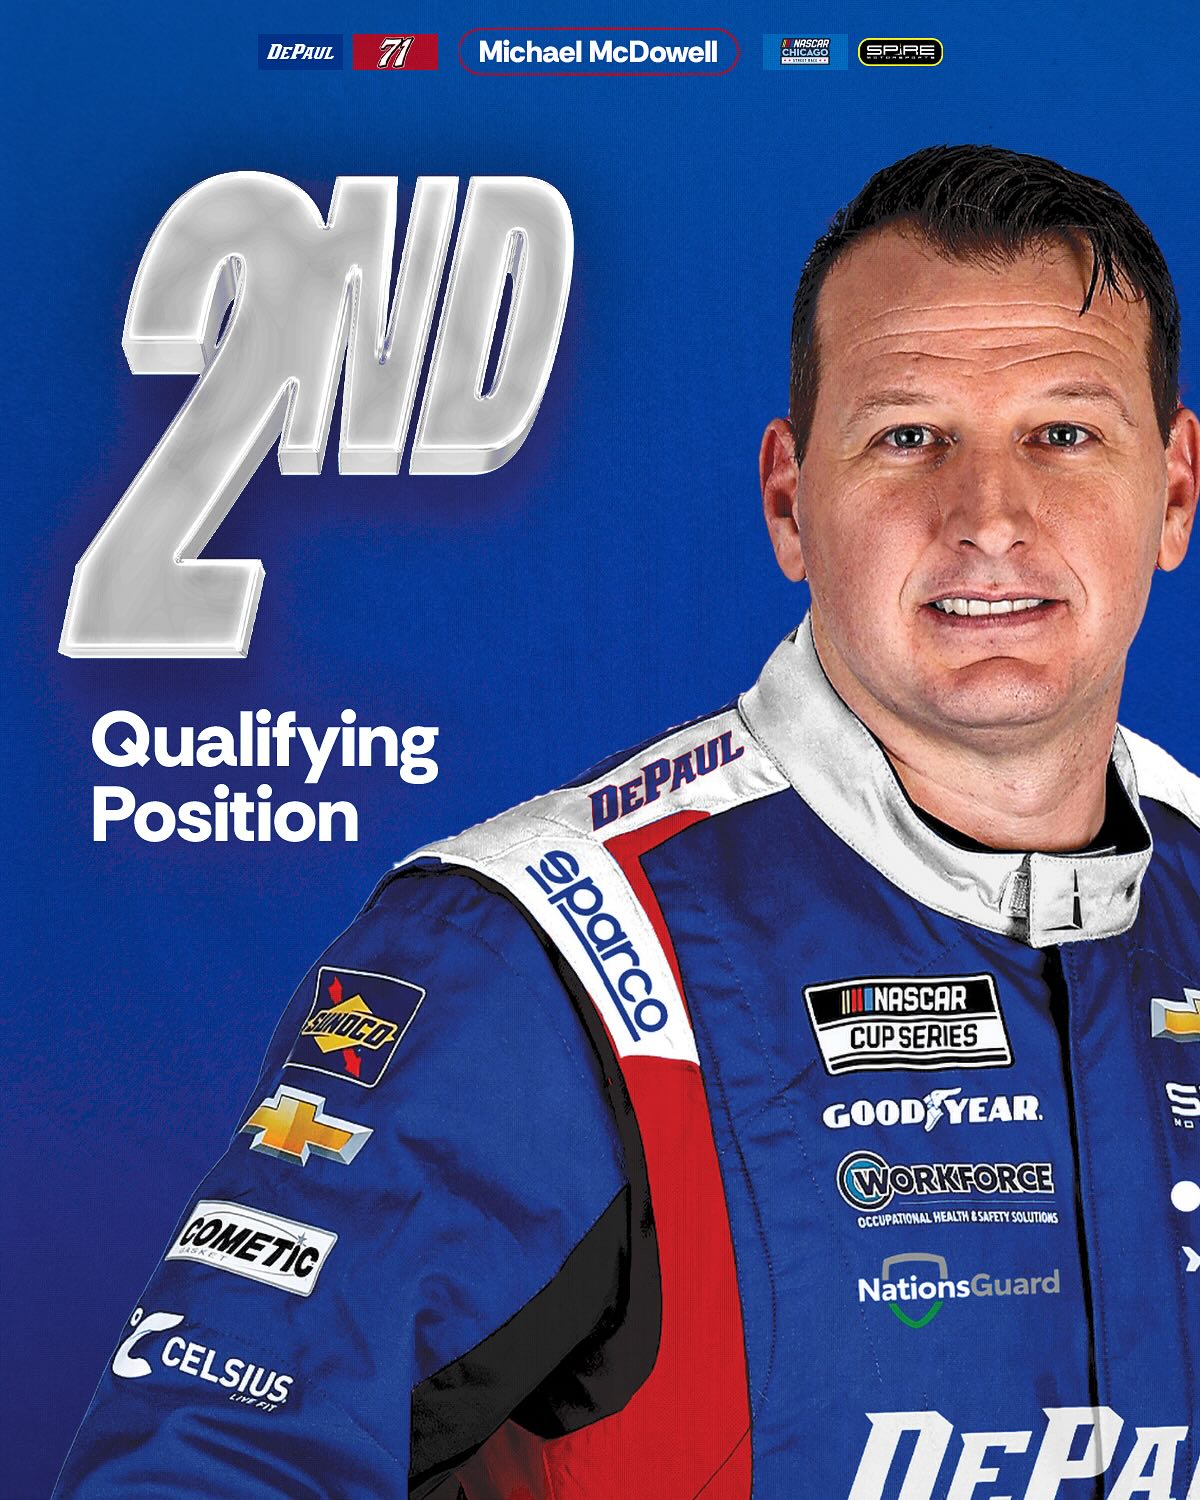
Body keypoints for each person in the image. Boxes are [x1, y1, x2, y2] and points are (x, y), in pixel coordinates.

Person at [54, 145, 1200, 1500]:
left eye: (1065, 434)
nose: (989, 518)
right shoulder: (547, 951)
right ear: (790, 501)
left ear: (1175, 490)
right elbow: (203, 1464)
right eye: (908, 436)